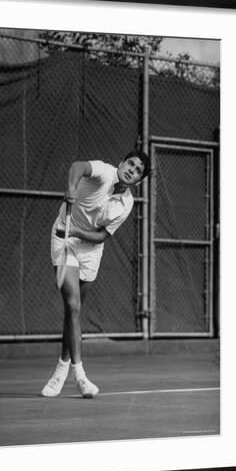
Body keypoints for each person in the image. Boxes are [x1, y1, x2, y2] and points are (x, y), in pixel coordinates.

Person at [41, 151, 151, 398]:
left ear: (138, 180)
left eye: (137, 171)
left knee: (74, 312)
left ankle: (60, 369)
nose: (131, 170)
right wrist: (71, 186)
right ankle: (80, 377)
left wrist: (80, 234)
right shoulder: (103, 171)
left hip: (91, 249)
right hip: (63, 237)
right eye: (130, 164)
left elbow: (102, 236)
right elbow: (78, 165)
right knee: (74, 305)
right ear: (121, 162)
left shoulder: (127, 204)